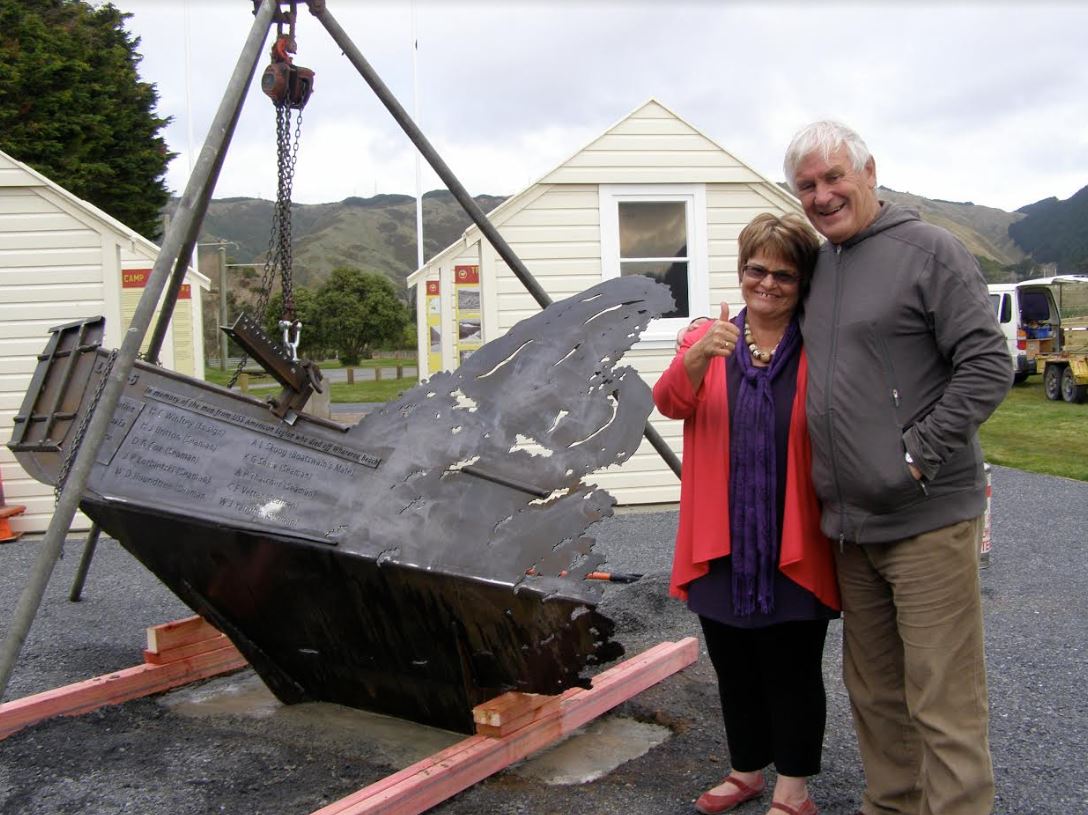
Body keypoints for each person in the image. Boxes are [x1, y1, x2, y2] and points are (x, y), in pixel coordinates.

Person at [782, 121, 1011, 815]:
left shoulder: (928, 250)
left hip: (925, 519)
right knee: (877, 695)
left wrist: (915, 456)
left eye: (834, 177)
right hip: (852, 529)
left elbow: (988, 363)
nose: (823, 196)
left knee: (943, 698)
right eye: (807, 186)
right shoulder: (823, 267)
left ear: (869, 172)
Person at [654, 213, 841, 815]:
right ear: (741, 272)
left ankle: (794, 789)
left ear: (802, 282)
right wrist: (697, 358)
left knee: (792, 668)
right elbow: (668, 402)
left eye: (784, 274)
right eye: (756, 270)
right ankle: (745, 770)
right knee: (733, 666)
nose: (767, 283)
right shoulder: (710, 338)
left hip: (793, 537)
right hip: (722, 539)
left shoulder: (820, 346)